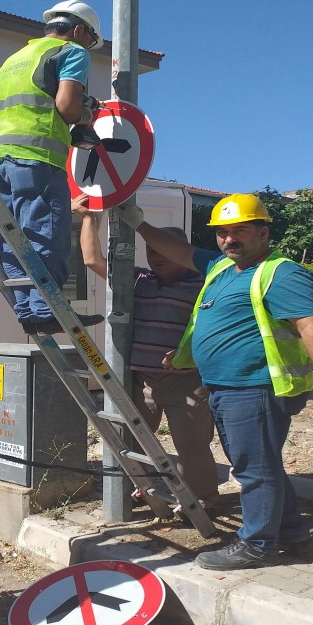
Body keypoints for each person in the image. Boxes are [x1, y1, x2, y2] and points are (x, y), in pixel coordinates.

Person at [118, 194, 313, 570]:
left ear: (263, 233)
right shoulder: (220, 268)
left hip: (255, 387)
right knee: (262, 465)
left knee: (253, 469)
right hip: (225, 387)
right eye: (223, 232)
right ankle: (292, 531)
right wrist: (139, 224)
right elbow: (180, 251)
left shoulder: (282, 273)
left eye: (239, 231)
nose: (229, 239)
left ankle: (257, 544)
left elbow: (311, 326)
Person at [73, 196, 219, 511]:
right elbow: (92, 260)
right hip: (143, 381)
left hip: (187, 382)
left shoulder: (204, 284)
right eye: (151, 250)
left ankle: (204, 499)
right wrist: (88, 218)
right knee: (130, 442)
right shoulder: (138, 279)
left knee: (192, 447)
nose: (156, 256)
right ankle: (139, 490)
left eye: (164, 250)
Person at [0, 0, 106, 336]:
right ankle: (48, 311)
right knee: (45, 234)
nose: (85, 46)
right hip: (35, 155)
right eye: (87, 39)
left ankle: (28, 311)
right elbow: (66, 107)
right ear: (79, 30)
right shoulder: (71, 52)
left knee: (12, 239)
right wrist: (86, 113)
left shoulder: (16, 57)